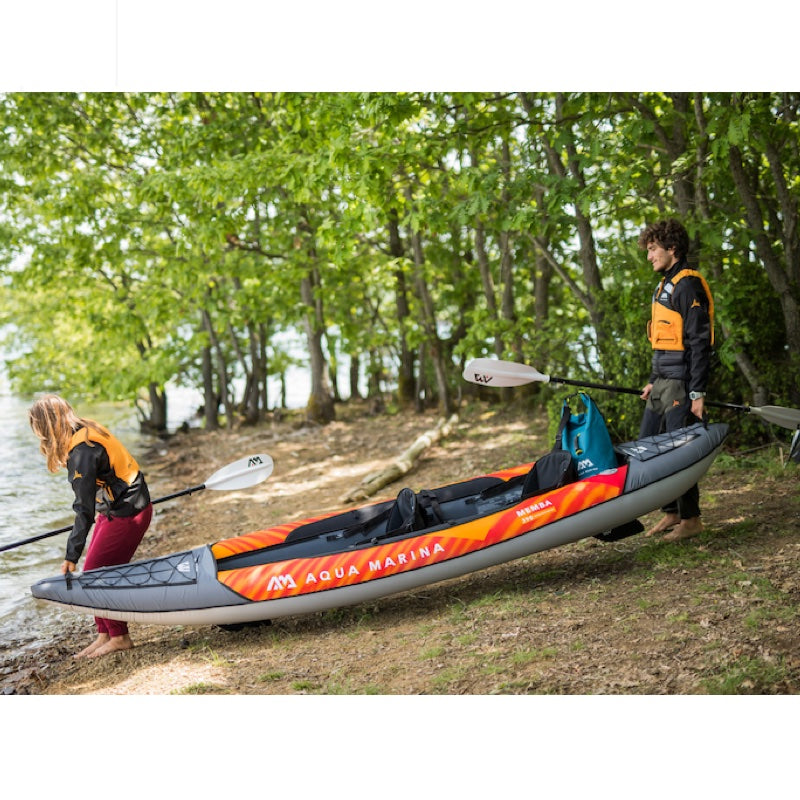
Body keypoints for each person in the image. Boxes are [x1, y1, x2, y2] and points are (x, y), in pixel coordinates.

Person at [28, 394, 152, 658]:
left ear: (46, 425)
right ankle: (104, 634)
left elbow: (83, 510)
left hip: (129, 512)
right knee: (94, 570)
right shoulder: (85, 428)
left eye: (37, 428)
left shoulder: (82, 452)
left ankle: (120, 637)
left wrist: (70, 555)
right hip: (118, 507)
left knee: (96, 574)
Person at [637, 219, 715, 542]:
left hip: (682, 385)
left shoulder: (687, 286)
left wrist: (697, 393)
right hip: (663, 383)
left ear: (672, 249)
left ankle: (691, 518)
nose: (649, 256)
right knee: (649, 445)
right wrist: (654, 380)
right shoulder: (664, 285)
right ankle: (670, 512)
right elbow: (666, 341)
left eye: (653, 249)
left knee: (676, 452)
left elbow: (700, 343)